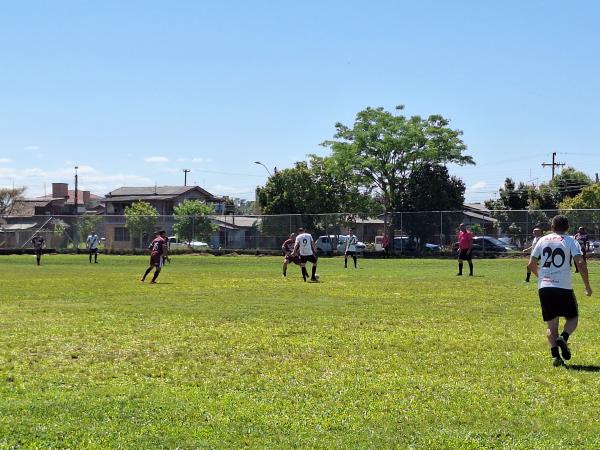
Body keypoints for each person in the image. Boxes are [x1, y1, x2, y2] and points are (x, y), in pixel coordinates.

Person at [527, 215, 592, 367]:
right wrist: (587, 286)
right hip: (563, 286)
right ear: (567, 227)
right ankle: (564, 337)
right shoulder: (570, 240)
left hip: (545, 287)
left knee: (551, 325)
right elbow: (580, 263)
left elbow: (531, 264)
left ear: (552, 227)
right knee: (572, 318)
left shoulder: (542, 240)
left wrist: (541, 277)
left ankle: (556, 356)